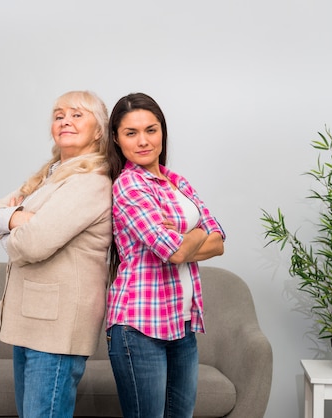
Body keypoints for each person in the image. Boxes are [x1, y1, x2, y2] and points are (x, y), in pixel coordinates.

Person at [0, 91, 112, 418]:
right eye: (58, 114)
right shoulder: (48, 176)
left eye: (77, 114)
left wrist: (9, 233)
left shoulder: (92, 181)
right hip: (32, 321)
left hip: (57, 328)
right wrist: (15, 220)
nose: (65, 120)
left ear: (99, 130)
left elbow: (33, 244)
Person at [105, 92, 226, 418]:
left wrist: (190, 237)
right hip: (140, 328)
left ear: (163, 132)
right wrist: (197, 231)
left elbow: (220, 242)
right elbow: (174, 252)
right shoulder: (129, 186)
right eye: (131, 133)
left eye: (151, 129)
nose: (143, 141)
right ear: (117, 139)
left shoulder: (178, 183)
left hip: (181, 324)